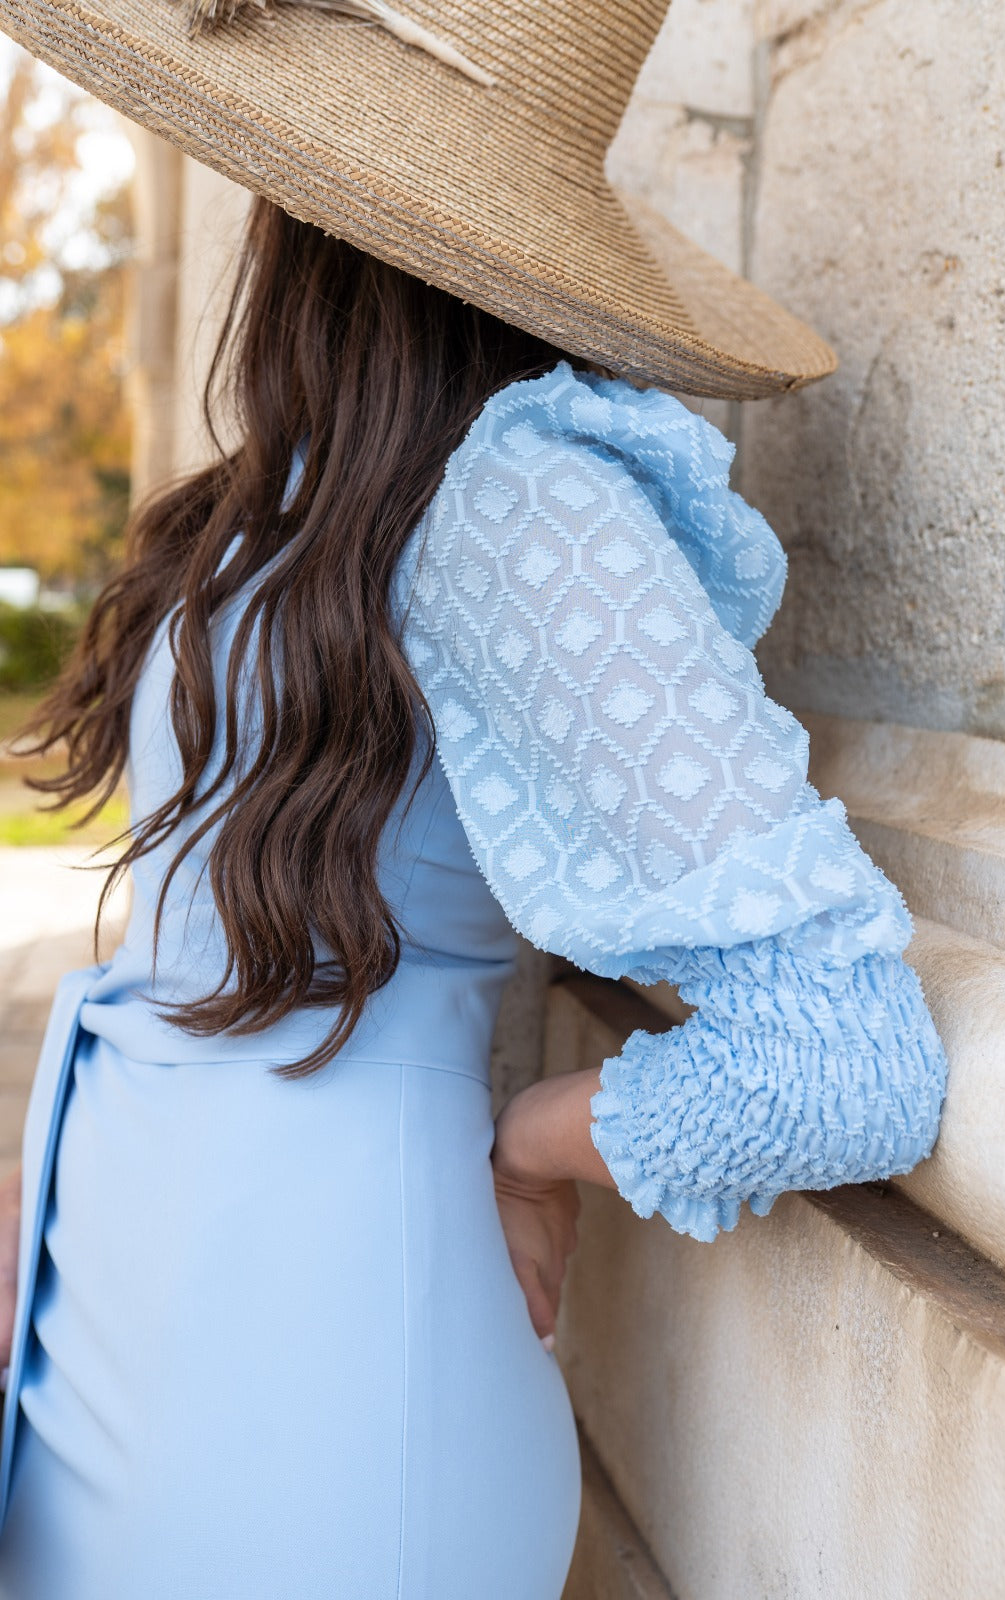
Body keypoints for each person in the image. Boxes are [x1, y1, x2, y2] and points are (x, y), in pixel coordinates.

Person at [0, 0, 948, 1595]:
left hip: (318, 1380)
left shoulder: (518, 499)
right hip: (121, 1306)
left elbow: (842, 1059)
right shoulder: (298, 490)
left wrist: (531, 1141)